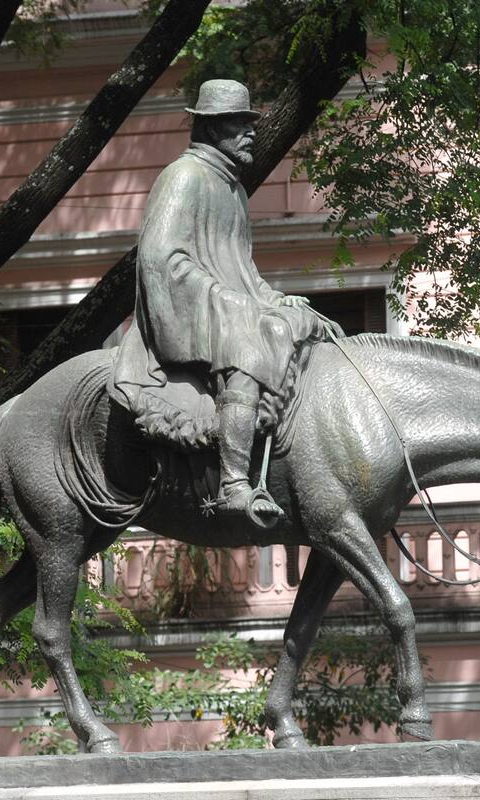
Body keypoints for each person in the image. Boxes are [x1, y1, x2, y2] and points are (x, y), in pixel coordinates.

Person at [111, 79, 334, 525]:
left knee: (300, 321)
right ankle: (234, 483)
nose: (251, 132)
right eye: (240, 123)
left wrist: (279, 300)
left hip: (222, 304)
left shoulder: (231, 189)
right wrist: (230, 303)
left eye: (250, 123)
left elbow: (245, 274)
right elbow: (159, 260)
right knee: (253, 342)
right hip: (186, 305)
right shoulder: (185, 176)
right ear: (212, 129)